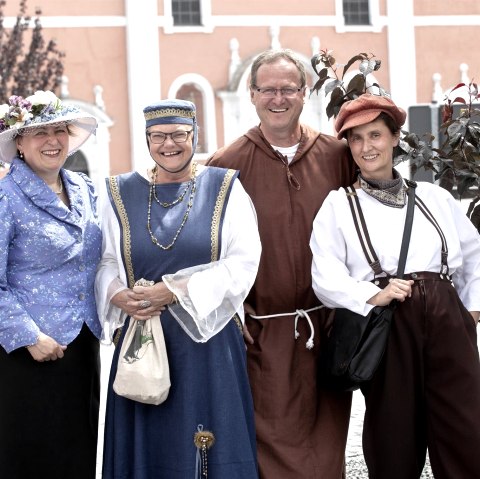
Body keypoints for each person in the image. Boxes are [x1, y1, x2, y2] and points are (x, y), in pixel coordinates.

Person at [310, 93, 480, 478]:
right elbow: (325, 276)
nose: (367, 147)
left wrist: (470, 312)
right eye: (356, 139)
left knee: (466, 435)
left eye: (375, 135)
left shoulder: (435, 198)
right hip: (388, 326)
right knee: (393, 441)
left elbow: (474, 255)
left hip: (449, 324)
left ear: (394, 138)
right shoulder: (339, 206)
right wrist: (372, 294)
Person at [208, 49, 356, 478]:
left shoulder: (336, 156)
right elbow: (210, 251)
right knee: (270, 445)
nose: (278, 98)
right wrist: (233, 314)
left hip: (327, 326)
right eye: (268, 89)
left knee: (328, 444)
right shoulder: (225, 166)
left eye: (288, 88)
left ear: (305, 93)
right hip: (263, 333)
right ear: (252, 95)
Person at [96, 99, 262, 478]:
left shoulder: (224, 189)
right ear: (147, 139)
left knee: (206, 437)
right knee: (150, 442)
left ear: (194, 135)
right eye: (158, 136)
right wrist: (118, 295)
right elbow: (104, 260)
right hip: (141, 334)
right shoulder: (119, 193)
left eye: (178, 135)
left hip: (207, 340)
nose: (168, 144)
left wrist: (173, 291)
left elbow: (243, 261)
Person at [0, 90, 102, 478]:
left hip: (82, 346)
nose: (53, 140)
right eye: (39, 131)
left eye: (59, 130)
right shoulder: (5, 197)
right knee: (30, 458)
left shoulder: (84, 189)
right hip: (25, 352)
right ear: (19, 144)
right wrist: (29, 336)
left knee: (76, 456)